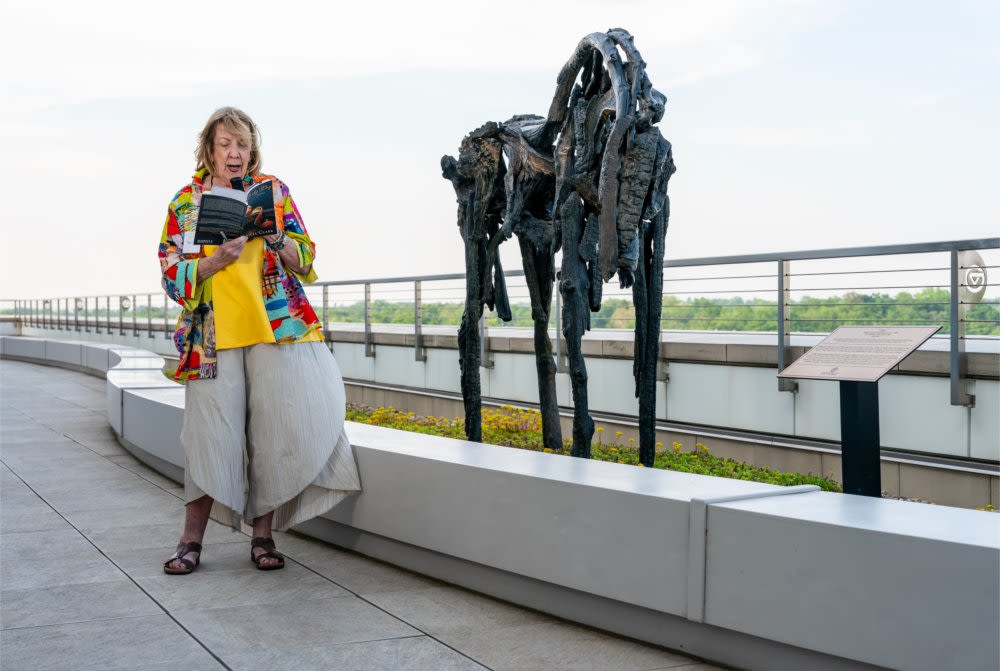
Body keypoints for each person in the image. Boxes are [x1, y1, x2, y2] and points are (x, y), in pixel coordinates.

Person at [157, 106, 361, 574]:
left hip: (277, 328)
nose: (235, 152)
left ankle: (263, 538)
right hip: (211, 337)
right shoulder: (185, 203)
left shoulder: (274, 193)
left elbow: (306, 256)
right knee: (209, 437)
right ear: (208, 149)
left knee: (273, 434)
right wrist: (214, 261)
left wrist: (274, 239)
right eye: (226, 144)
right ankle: (191, 541)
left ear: (253, 151)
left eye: (243, 144)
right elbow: (171, 275)